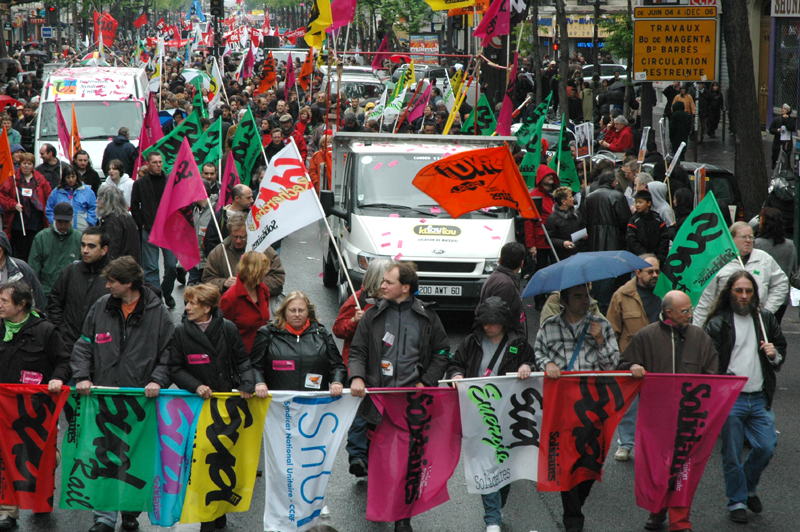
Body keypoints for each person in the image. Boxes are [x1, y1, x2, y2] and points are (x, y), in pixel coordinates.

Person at [70, 256, 174, 532]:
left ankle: (130, 511)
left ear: (128, 283)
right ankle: (103, 518)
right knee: (104, 456)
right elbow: (84, 346)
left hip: (141, 401)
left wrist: (157, 381)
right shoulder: (101, 307)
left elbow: (169, 354)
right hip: (105, 398)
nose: (107, 286)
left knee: (135, 457)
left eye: (112, 281)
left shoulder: (158, 312)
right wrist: (82, 376)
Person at [348, 261, 450, 532]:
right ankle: (382, 507)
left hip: (412, 404)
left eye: (388, 282)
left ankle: (402, 518)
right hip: (380, 404)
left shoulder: (428, 317)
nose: (381, 285)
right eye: (383, 281)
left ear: (405, 287)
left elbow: (442, 352)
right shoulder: (372, 315)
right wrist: (357, 376)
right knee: (382, 464)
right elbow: (357, 351)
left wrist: (425, 381)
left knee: (408, 464)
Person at [618, 290, 718, 532]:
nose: (691, 315)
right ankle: (657, 510)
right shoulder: (645, 336)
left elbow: (713, 373)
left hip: (689, 419)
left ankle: (680, 521)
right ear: (669, 313)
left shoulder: (700, 337)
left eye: (691, 309)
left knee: (684, 469)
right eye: (685, 311)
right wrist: (634, 366)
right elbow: (623, 364)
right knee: (658, 468)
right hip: (656, 418)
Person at [168, 283, 254, 532]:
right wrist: (196, 386)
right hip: (198, 409)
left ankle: (219, 509)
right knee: (202, 459)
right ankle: (207, 514)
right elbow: (175, 368)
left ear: (207, 307)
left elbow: (242, 361)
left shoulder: (228, 329)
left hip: (226, 408)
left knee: (223, 458)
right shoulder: (181, 333)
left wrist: (248, 383)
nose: (187, 308)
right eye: (186, 302)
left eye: (192, 303)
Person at [702, 271, 786, 525]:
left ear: (754, 293)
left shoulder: (766, 319)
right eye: (738, 290)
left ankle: (747, 487)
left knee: (766, 446)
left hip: (759, 397)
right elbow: (710, 364)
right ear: (730, 292)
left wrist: (773, 354)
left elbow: (780, 350)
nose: (743, 295)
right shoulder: (717, 323)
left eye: (748, 291)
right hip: (730, 399)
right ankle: (737, 501)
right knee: (731, 453)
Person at [534, 283, 619, 532]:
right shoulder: (549, 327)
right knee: (564, 461)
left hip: (593, 405)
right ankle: (573, 519)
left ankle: (575, 506)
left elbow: (613, 365)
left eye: (587, 296)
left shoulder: (601, 325)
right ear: (564, 300)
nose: (585, 301)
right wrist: (547, 363)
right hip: (560, 407)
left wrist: (600, 340)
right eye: (578, 297)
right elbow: (538, 354)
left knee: (591, 461)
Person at [446, 296, 535, 532]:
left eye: (493, 322)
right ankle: (492, 519)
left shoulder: (520, 345)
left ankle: (498, 504)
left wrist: (527, 367)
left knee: (504, 465)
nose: (488, 326)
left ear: (504, 322)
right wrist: (456, 375)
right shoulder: (471, 342)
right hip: (478, 414)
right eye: (484, 321)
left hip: (509, 416)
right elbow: (456, 363)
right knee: (485, 465)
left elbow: (533, 365)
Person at [0, 280, 70, 530]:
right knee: (4, 457)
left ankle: (43, 493)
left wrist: (57, 378)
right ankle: (8, 511)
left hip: (36, 410)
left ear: (21, 305)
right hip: (2, 410)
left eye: (4, 301)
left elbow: (64, 362)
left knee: (39, 458)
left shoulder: (46, 331)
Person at [332, 259, 391, 477]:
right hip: (358, 367)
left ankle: (375, 456)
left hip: (385, 369)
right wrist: (354, 322)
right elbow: (338, 329)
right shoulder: (358, 298)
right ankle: (357, 456)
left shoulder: (398, 302)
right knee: (359, 414)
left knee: (381, 415)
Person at [606, 254, 661, 461]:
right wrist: (618, 364)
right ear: (637, 272)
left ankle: (652, 445)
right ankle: (626, 444)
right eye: (650, 272)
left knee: (656, 408)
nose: (655, 275)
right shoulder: (621, 295)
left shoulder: (666, 293)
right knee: (629, 407)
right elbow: (612, 332)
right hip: (631, 363)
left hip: (658, 361)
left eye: (657, 271)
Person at [251, 290, 346, 395]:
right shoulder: (267, 333)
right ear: (284, 311)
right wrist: (259, 383)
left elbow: (337, 366)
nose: (297, 314)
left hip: (314, 405)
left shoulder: (322, 334)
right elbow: (254, 365)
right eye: (292, 310)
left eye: (301, 310)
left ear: (308, 312)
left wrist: (337, 382)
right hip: (278, 404)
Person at [693, 222, 788, 327]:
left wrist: (768, 310)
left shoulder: (764, 259)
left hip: (756, 322)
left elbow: (781, 283)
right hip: (725, 324)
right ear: (731, 238)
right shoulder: (717, 262)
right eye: (743, 237)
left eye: (751, 237)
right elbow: (705, 301)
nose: (748, 240)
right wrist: (698, 331)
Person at [47, 226, 111, 349]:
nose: (85, 250)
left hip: (100, 348)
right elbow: (54, 303)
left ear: (104, 250)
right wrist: (60, 332)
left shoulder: (113, 276)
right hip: (68, 345)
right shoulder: (70, 272)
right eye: (83, 245)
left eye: (91, 246)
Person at [130, 152, 178, 307]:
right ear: (148, 164)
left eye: (160, 162)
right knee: (151, 268)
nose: (158, 165)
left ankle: (166, 291)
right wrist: (141, 224)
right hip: (149, 229)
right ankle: (155, 299)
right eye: (155, 162)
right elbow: (134, 205)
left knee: (171, 265)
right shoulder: (140, 183)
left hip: (168, 230)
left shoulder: (170, 180)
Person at [581, 170, 632, 313]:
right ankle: (606, 308)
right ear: (612, 182)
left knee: (597, 276)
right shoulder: (617, 196)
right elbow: (625, 221)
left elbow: (584, 219)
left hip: (594, 243)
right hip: (614, 243)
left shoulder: (589, 197)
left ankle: (597, 305)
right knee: (610, 278)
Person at [202, 213, 285, 299]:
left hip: (258, 303)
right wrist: (223, 283)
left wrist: (251, 285)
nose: (238, 241)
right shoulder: (218, 252)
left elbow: (277, 279)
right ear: (230, 232)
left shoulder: (264, 250)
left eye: (242, 237)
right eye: (235, 236)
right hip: (230, 304)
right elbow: (207, 280)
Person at [0, 152, 51, 261]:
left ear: (33, 165)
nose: (26, 166)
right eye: (24, 163)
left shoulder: (40, 179)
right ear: (20, 164)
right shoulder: (12, 179)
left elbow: (48, 197)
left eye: (29, 163)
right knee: (20, 250)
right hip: (18, 222)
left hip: (36, 221)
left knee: (34, 249)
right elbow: (3, 196)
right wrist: (14, 204)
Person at [219, 250, 271, 353]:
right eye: (264, 269)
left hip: (263, 351)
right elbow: (222, 332)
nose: (266, 272)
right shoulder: (230, 298)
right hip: (241, 355)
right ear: (255, 271)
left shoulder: (263, 289)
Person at [28, 202, 81, 298]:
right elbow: (34, 268)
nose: (63, 225)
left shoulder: (79, 238)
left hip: (71, 294)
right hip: (46, 292)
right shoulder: (41, 237)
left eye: (66, 222)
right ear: (54, 217)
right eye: (60, 221)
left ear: (72, 218)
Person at [754, 207, 796, 323]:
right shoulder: (790, 246)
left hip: (760, 294)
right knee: (775, 327)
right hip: (782, 297)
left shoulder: (757, 244)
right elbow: (793, 270)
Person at [479, 242, 527, 337]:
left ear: (500, 260)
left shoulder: (497, 277)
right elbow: (498, 319)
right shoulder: (506, 285)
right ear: (522, 263)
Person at [202, 184, 255, 255]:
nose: (252, 200)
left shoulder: (251, 216)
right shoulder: (219, 217)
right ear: (237, 198)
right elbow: (210, 242)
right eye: (248, 198)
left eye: (252, 197)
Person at [96, 185, 141, 264]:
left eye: (99, 199)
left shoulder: (113, 221)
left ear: (107, 202)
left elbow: (112, 249)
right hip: (130, 266)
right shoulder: (126, 217)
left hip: (119, 269)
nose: (96, 201)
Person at [45, 166, 97, 231]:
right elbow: (49, 209)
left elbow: (93, 208)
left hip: (82, 228)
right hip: (62, 229)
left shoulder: (87, 190)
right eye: (68, 177)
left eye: (73, 177)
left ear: (77, 176)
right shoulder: (57, 191)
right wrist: (54, 223)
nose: (71, 180)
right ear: (64, 178)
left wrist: (90, 222)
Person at [626, 190, 670, 264]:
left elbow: (664, 239)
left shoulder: (658, 220)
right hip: (639, 260)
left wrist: (660, 257)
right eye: (636, 202)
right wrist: (644, 256)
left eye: (640, 202)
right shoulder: (634, 221)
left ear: (649, 203)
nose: (637, 205)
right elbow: (632, 241)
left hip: (656, 260)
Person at [546, 186, 587, 260]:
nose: (573, 199)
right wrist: (563, 243)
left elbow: (582, 226)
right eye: (570, 197)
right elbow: (549, 239)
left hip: (578, 252)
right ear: (563, 201)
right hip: (562, 255)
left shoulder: (576, 213)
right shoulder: (552, 218)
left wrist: (584, 235)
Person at [768, 104, 796, 168]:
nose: (783, 110)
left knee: (786, 155)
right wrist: (777, 130)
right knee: (775, 153)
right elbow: (771, 129)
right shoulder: (777, 119)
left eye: (785, 109)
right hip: (778, 139)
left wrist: (786, 120)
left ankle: (786, 168)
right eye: (782, 108)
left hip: (787, 140)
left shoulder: (791, 120)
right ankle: (774, 165)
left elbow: (791, 128)